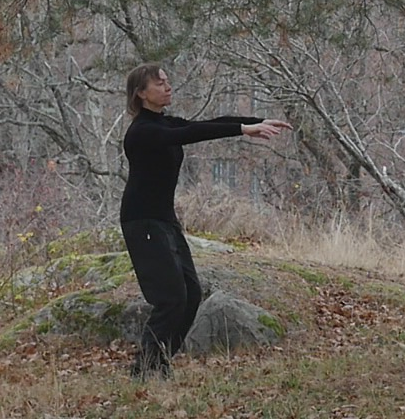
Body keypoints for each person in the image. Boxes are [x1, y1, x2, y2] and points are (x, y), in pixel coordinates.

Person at [118, 63, 290, 379]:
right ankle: (144, 369)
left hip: (164, 219)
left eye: (167, 81)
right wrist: (243, 129)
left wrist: (255, 123)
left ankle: (159, 361)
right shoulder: (142, 131)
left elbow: (207, 124)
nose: (168, 87)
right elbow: (190, 134)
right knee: (170, 298)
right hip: (142, 221)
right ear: (141, 93)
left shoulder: (163, 123)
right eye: (159, 83)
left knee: (191, 293)